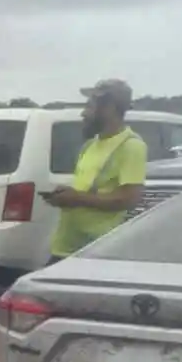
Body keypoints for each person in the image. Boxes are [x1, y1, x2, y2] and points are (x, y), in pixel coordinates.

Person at [43, 79, 147, 261]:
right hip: (66, 247)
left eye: (90, 106)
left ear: (110, 108)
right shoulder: (90, 145)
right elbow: (85, 191)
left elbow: (130, 199)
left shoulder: (131, 146)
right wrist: (65, 195)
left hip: (96, 252)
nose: (83, 113)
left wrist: (77, 198)